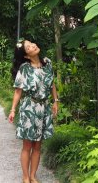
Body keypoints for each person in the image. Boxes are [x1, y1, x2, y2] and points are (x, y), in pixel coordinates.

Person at [9, 39, 59, 183]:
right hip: (29, 108)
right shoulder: (25, 68)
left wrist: (55, 101)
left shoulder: (47, 63)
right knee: (27, 145)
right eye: (28, 47)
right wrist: (13, 110)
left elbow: (52, 84)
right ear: (26, 55)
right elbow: (18, 91)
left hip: (44, 109)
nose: (33, 46)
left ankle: (33, 176)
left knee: (38, 145)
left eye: (32, 43)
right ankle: (25, 178)